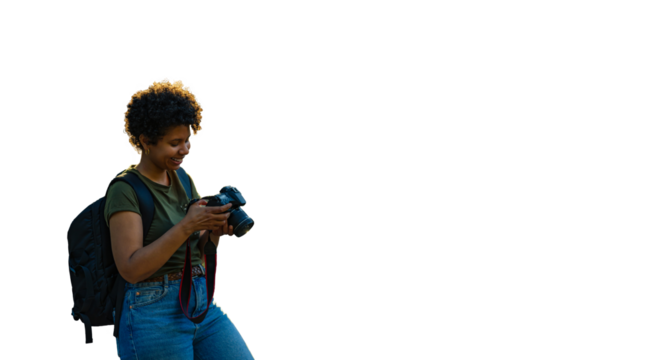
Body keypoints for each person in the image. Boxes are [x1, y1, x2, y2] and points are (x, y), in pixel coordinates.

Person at [106, 77, 255, 359]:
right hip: (152, 308)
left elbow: (197, 248)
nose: (185, 150)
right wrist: (188, 225)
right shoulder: (125, 190)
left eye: (187, 140)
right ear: (146, 141)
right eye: (175, 143)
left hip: (198, 298)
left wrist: (213, 231)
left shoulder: (184, 179)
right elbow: (130, 268)